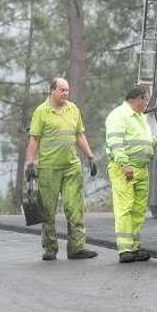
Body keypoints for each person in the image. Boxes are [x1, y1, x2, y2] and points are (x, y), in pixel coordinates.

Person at [26, 78, 99, 261]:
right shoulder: (42, 111)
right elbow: (34, 139)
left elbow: (79, 135)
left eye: (67, 90)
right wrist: (30, 163)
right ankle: (50, 248)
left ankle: (77, 248)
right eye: (62, 90)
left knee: (75, 209)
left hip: (71, 167)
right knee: (48, 211)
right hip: (49, 168)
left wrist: (90, 156)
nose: (65, 93)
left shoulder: (73, 109)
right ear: (52, 91)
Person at [104, 85, 154, 263]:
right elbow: (115, 142)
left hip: (141, 168)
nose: (147, 103)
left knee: (138, 209)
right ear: (136, 99)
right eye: (145, 99)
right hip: (124, 169)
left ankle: (134, 246)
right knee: (124, 208)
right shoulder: (119, 115)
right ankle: (125, 249)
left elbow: (145, 141)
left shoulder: (140, 117)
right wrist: (125, 164)